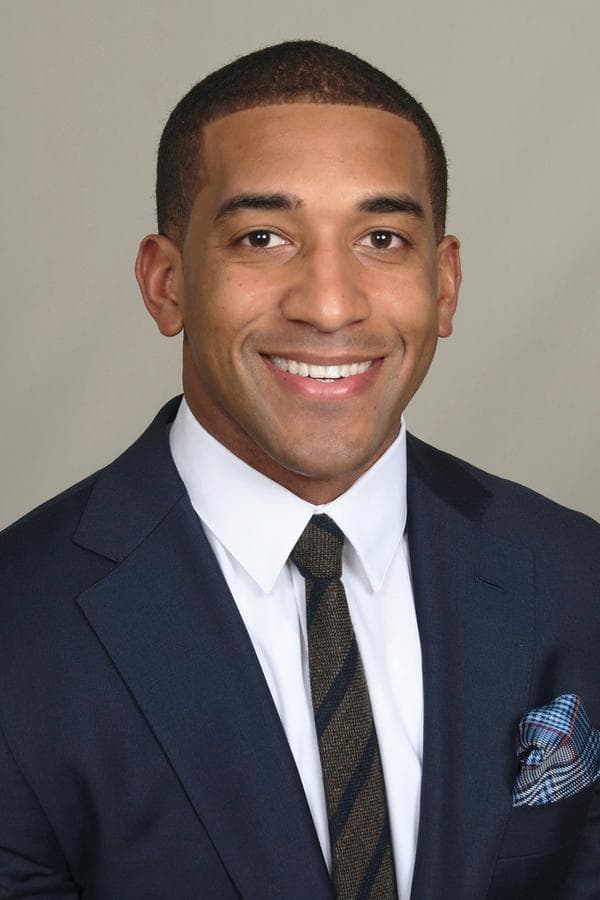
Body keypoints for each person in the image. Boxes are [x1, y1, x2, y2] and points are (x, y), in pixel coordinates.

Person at [0, 40, 598, 900]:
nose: (329, 303)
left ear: (444, 285)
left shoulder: (576, 575)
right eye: (264, 237)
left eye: (382, 238)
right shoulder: (19, 629)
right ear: (167, 283)